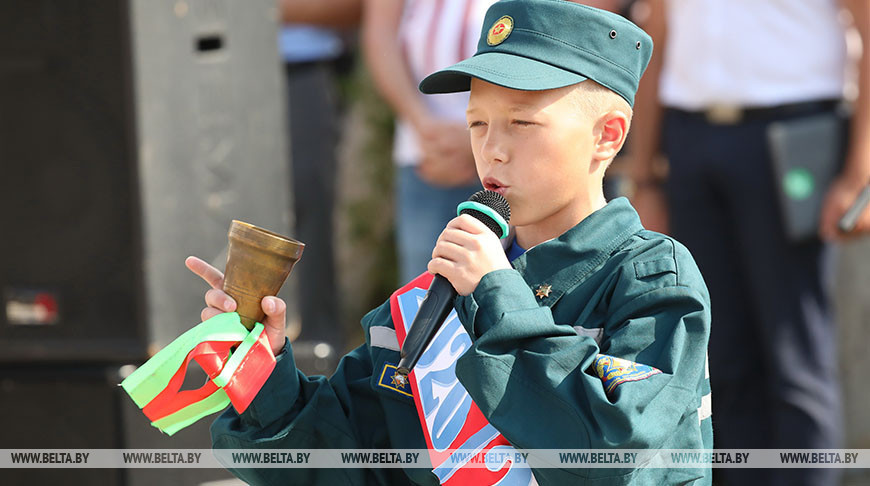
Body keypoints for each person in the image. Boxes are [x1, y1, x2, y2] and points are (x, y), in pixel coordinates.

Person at [191, 1, 712, 484]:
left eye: (522, 123)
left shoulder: (650, 277)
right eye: (477, 123)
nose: (492, 150)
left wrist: (498, 293)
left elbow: (617, 450)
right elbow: (342, 458)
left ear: (608, 135)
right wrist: (260, 365)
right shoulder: (437, 295)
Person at [627, 1, 869, 485]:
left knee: (793, 354)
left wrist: (861, 168)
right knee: (718, 357)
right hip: (690, 139)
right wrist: (644, 173)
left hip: (792, 134)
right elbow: (657, 25)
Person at [362, 0, 493, 284]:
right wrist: (422, 124)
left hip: (512, 147)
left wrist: (480, 137)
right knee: (423, 293)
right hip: (427, 150)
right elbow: (380, 35)